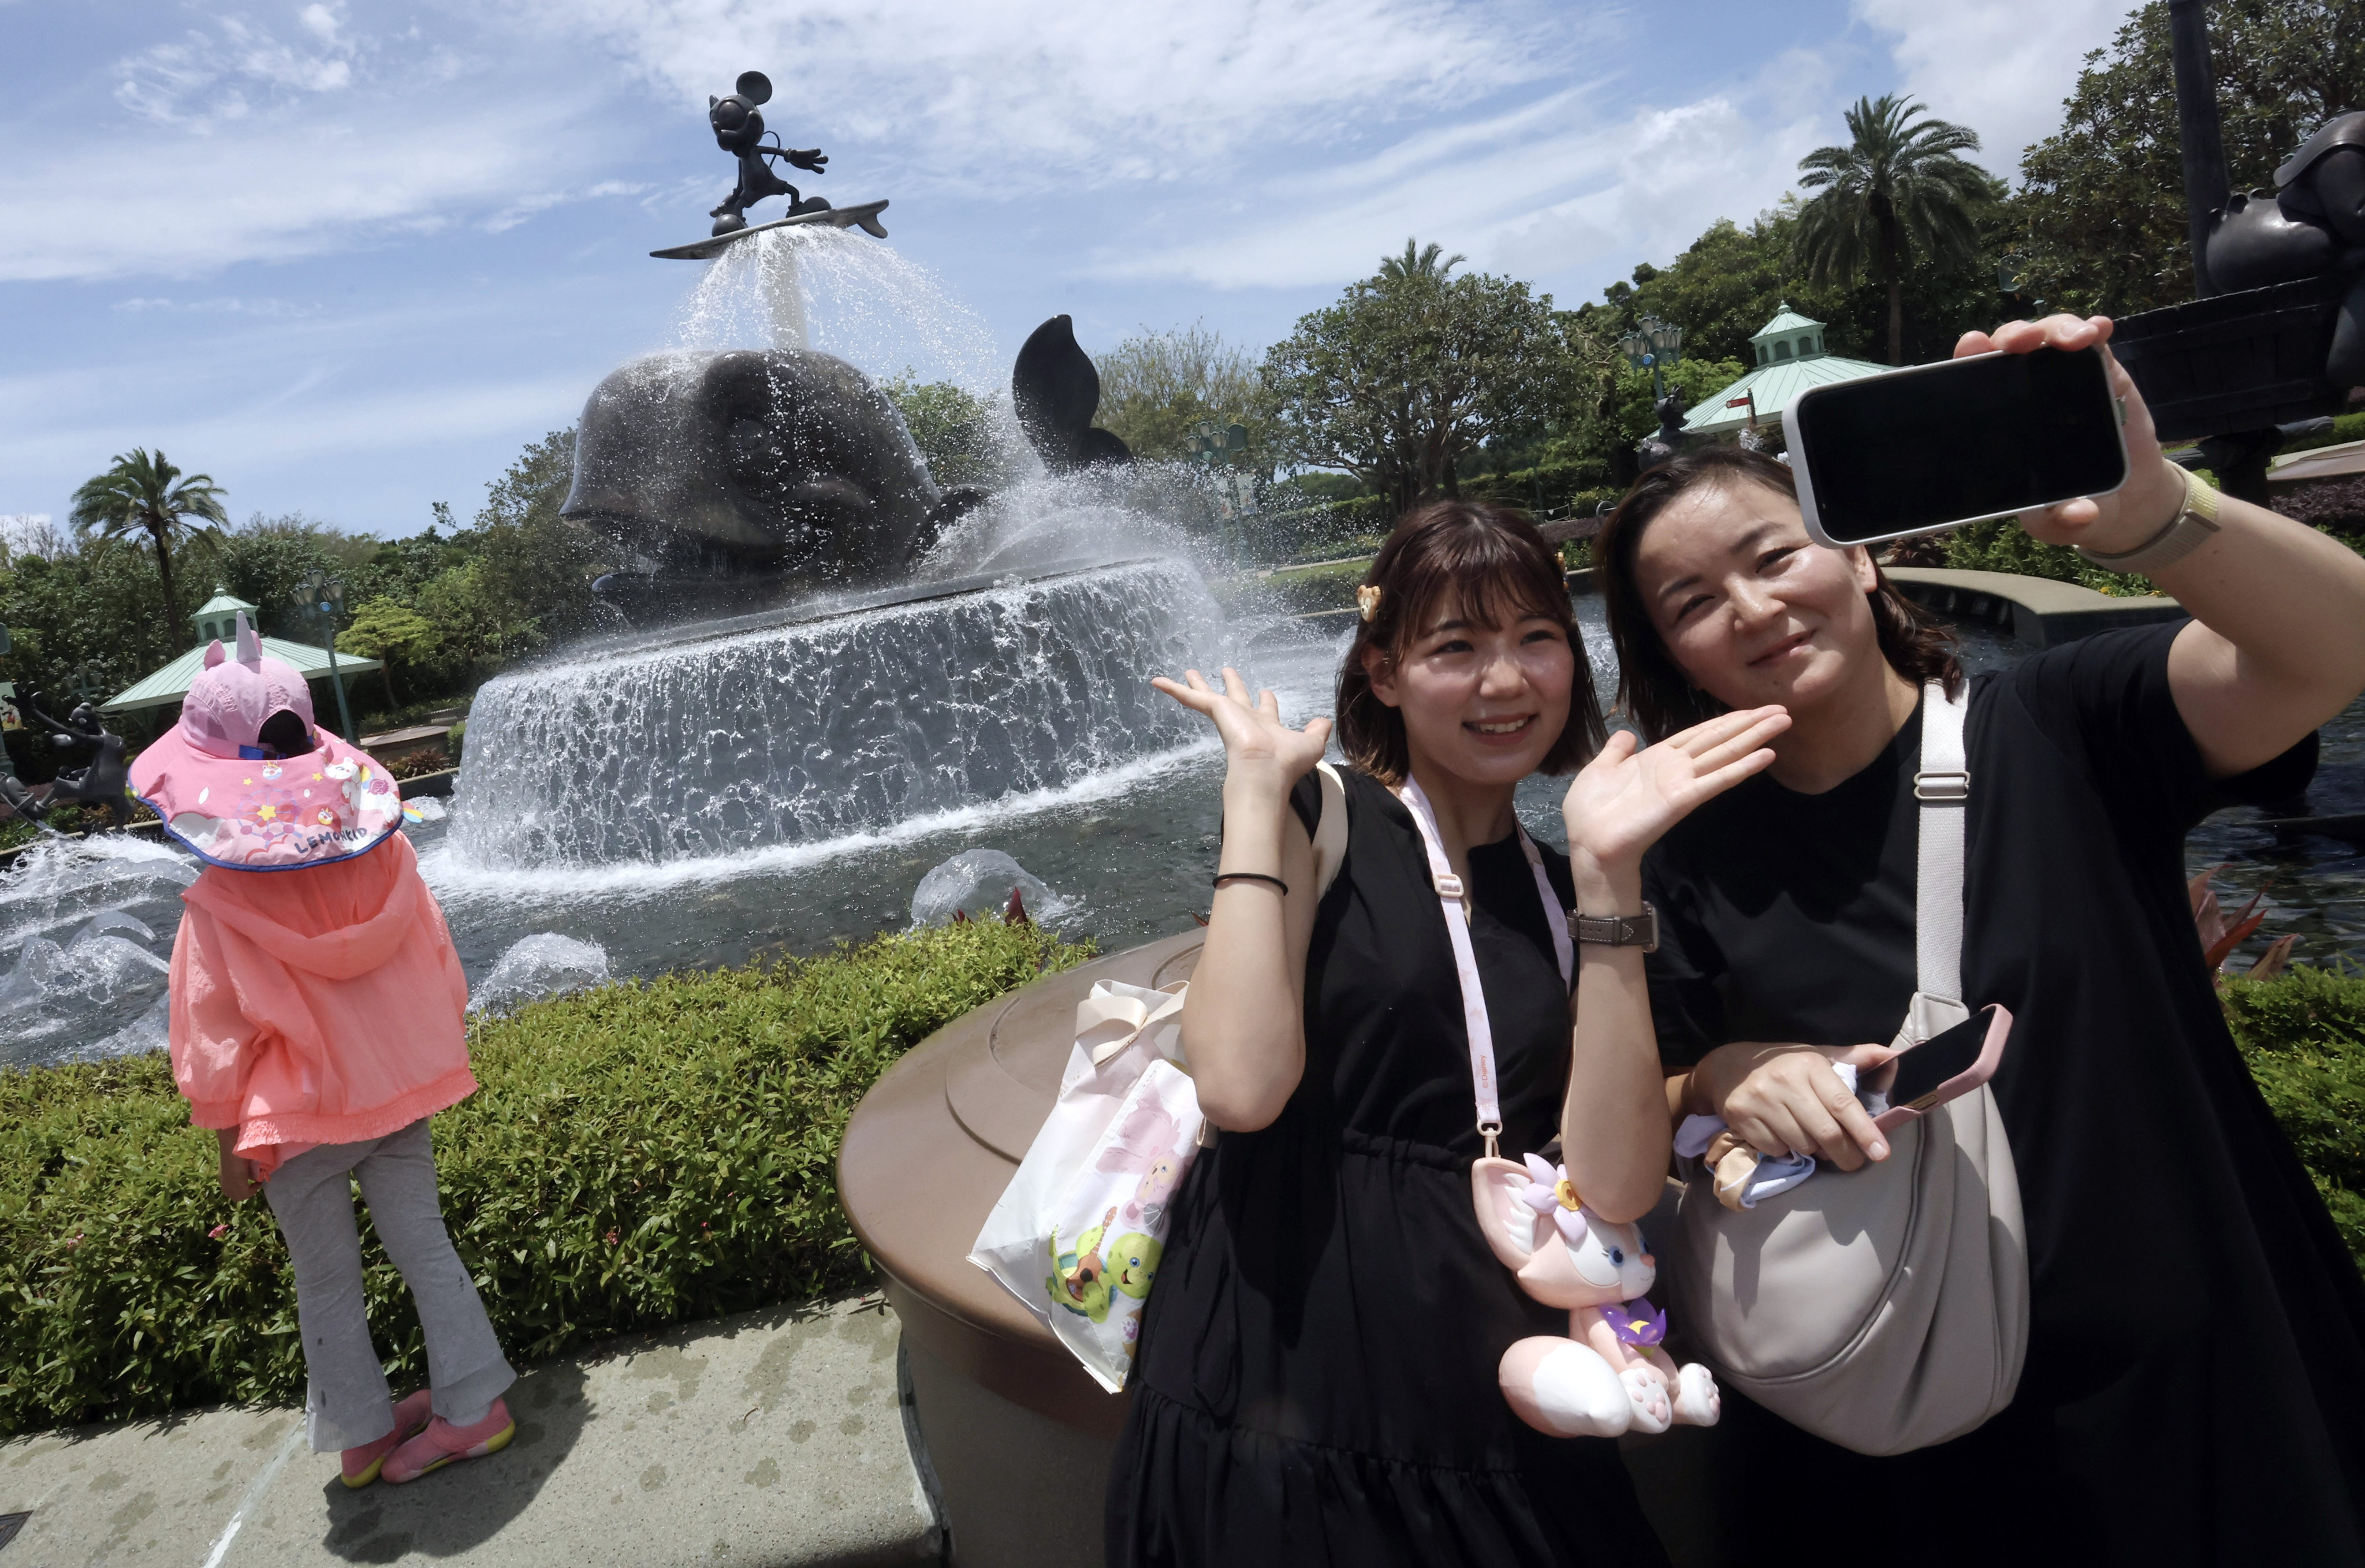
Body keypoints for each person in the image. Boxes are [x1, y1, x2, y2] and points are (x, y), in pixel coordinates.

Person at [1592, 315, 2365, 1563]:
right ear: (1665, 651)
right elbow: (1657, 1091)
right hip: (1894, 1422)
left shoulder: (2059, 726)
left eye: (1772, 554)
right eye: (1690, 600)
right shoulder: (1685, 854)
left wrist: (2157, 507)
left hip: (2178, 1394)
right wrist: (1731, 1072)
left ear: (1859, 561)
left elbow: (2333, 648)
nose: (1749, 606)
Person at [1105, 501, 1789, 1566]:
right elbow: (1237, 1088)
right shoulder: (1323, 818)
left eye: (1535, 638)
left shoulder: (1566, 891)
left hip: (1484, 1363)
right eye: (1455, 647)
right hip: (1291, 1355)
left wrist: (1611, 885)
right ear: (1383, 671)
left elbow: (1611, 1188)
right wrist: (1254, 790)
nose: (1505, 681)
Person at [135, 615, 517, 1489]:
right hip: (397, 1087)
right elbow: (441, 974)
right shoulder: (390, 862)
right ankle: (473, 1407)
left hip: (299, 1116)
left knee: (329, 1284)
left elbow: (213, 1032)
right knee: (426, 1248)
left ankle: (361, 1434)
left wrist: (228, 1139)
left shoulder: (220, 900)